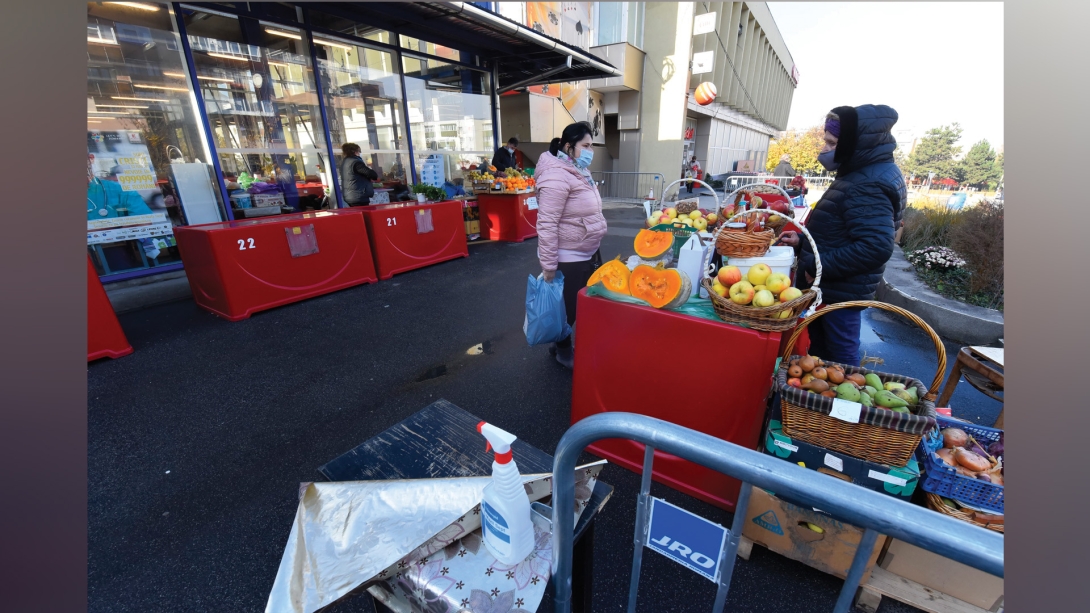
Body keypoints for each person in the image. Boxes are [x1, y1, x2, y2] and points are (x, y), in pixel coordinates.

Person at [778, 105, 907, 366]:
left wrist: (817, 265)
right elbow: (843, 230)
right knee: (823, 353)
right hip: (836, 288)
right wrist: (803, 242)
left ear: (852, 144)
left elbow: (875, 246)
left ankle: (841, 404)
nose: (824, 148)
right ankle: (818, 404)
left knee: (839, 360)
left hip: (840, 293)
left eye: (831, 142)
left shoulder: (868, 182)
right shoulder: (862, 172)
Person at [535, 122, 607, 369]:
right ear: (568, 146)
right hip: (569, 254)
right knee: (567, 310)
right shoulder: (556, 175)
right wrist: (548, 265)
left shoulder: (577, 169)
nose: (590, 151)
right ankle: (564, 351)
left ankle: (558, 344)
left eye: (592, 146)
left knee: (576, 305)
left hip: (586, 251)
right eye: (585, 145)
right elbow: (546, 222)